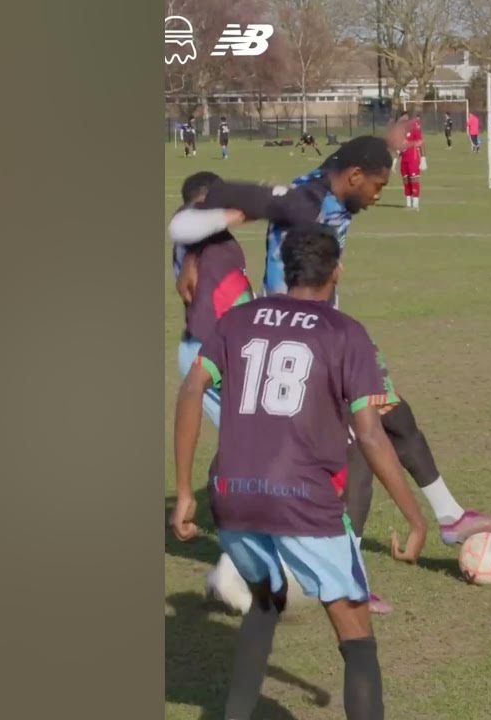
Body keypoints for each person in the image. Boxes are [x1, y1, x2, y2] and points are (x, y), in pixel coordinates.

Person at [169, 135, 491, 571]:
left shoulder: (334, 178)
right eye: (377, 186)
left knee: (397, 416)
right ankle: (339, 571)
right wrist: (202, 239)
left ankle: (449, 517)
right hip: (305, 342)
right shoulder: (298, 202)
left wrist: (385, 140)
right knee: (356, 447)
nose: (376, 197)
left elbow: (343, 156)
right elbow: (194, 212)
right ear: (354, 177)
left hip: (332, 326)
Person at [170, 223, 428, 720]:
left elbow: (190, 389)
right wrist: (416, 521)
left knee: (265, 604)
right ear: (337, 271)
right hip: (302, 498)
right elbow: (371, 435)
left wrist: (184, 491)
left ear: (285, 270)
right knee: (356, 637)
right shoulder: (345, 332)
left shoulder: (237, 321)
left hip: (231, 494)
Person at [170, 171, 253, 427]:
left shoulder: (203, 238)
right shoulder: (196, 229)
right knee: (245, 436)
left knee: (241, 436)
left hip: (206, 345)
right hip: (211, 347)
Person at [399, 115, 424, 210]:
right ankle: (408, 203)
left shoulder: (414, 129)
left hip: (413, 158)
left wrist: (423, 158)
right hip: (404, 159)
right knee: (406, 181)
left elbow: (421, 142)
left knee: (414, 180)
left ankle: (415, 204)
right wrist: (395, 159)